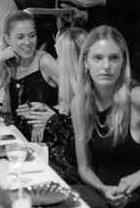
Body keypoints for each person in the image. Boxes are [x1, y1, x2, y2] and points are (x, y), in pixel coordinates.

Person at [74, 25, 140, 208]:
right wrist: (103, 189)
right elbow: (85, 167)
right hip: (104, 205)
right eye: (98, 58)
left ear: (123, 62)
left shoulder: (139, 98)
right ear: (86, 62)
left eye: (114, 58)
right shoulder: (80, 103)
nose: (106, 66)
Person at [16, 27, 87, 184]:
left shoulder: (88, 94)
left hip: (76, 178)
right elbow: (67, 115)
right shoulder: (74, 88)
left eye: (59, 56)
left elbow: (79, 147)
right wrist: (48, 111)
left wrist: (52, 120)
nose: (57, 61)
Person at [0, 10, 59, 137]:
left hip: (49, 142)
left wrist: (52, 113)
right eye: (20, 37)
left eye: (32, 35)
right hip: (20, 142)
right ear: (7, 39)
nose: (28, 42)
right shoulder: (8, 64)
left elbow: (79, 96)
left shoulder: (45, 61)